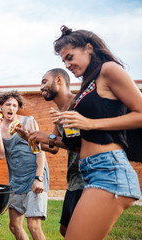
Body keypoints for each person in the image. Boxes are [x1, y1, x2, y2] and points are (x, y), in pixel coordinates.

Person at [53, 25, 142, 240]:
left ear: (89, 48)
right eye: (63, 61)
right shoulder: (88, 83)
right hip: (91, 171)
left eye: (70, 57)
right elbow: (82, 136)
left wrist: (90, 123)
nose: (67, 65)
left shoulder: (108, 69)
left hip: (109, 170)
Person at [28, 68, 84, 236]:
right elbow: (52, 148)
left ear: (59, 80)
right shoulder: (60, 112)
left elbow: (81, 145)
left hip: (87, 177)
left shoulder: (78, 105)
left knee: (77, 231)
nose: (41, 87)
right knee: (65, 229)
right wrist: (29, 138)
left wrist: (48, 138)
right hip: (74, 179)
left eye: (44, 82)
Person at [0, 90, 49, 240]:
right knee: (14, 226)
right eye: (8, 105)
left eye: (14, 105)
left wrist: (39, 177)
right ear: (1, 106)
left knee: (33, 225)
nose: (11, 108)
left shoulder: (28, 121)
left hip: (34, 175)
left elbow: (40, 151)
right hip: (16, 179)